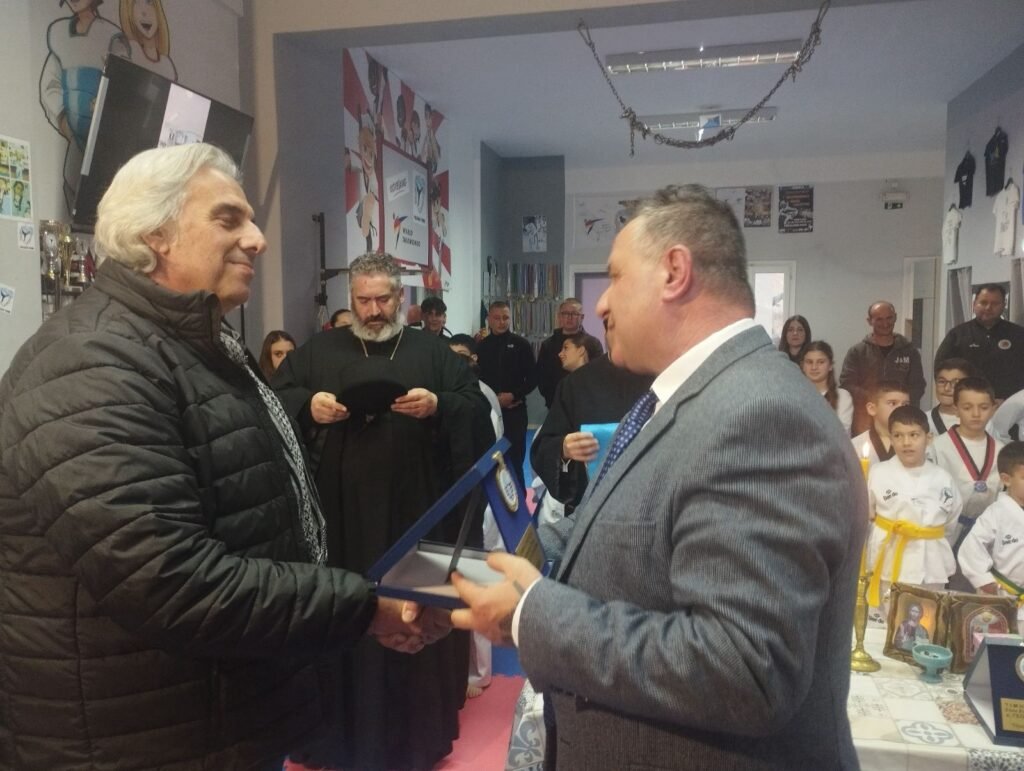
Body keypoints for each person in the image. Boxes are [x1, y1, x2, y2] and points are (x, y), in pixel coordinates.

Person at [0, 144, 446, 771]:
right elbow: (165, 580)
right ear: (155, 235)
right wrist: (362, 607)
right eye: (229, 219)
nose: (258, 239)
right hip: (135, 735)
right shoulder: (91, 363)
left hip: (214, 716)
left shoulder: (196, 345)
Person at [450, 184, 865, 769]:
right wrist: (494, 574)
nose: (600, 304)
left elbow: (746, 668)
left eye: (615, 277)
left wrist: (532, 616)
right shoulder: (695, 397)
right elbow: (636, 538)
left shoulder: (758, 415)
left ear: (674, 272)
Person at [272, 252, 491, 771]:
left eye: (383, 300)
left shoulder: (432, 353)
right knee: (342, 621)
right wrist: (309, 406)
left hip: (415, 515)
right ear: (351, 299)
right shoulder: (318, 351)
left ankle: (415, 742)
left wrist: (438, 405)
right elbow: (275, 401)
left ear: (400, 297)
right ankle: (334, 741)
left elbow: (475, 409)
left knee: (415, 621)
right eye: (363, 300)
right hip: (338, 523)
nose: (373, 311)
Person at [531, 344, 652, 515]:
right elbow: (544, 447)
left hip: (653, 508)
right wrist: (564, 449)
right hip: (588, 511)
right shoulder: (576, 384)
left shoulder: (664, 375)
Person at [865, 406, 961, 611]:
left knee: (928, 618)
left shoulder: (943, 478)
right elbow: (867, 514)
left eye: (914, 435)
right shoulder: (878, 473)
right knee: (887, 617)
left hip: (931, 561)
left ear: (929, 438)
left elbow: (951, 523)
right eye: (898, 436)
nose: (906, 442)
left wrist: (925, 534)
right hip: (890, 556)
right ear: (891, 439)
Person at [930, 377, 1004, 550]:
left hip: (988, 532)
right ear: (956, 409)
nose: (976, 414)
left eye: (983, 407)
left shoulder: (1001, 451)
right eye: (967, 407)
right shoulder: (937, 447)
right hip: (947, 530)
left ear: (993, 409)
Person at [958, 442, 1024, 618]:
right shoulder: (996, 513)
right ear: (1006, 479)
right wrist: (985, 581)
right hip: (1005, 596)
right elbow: (970, 549)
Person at [840, 300, 926, 434]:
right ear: (870, 321)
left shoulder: (910, 351)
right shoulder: (857, 352)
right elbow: (847, 384)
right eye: (879, 319)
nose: (885, 324)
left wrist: (899, 403)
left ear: (895, 317)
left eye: (889, 318)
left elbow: (918, 385)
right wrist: (876, 400)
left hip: (901, 419)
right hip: (864, 420)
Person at [476, 300, 537, 483]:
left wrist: (514, 395)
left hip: (515, 412)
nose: (502, 322)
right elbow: (476, 380)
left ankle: (520, 498)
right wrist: (492, 400)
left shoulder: (521, 344)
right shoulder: (481, 347)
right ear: (489, 319)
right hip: (489, 413)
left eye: (506, 318)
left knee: (515, 461)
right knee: (490, 461)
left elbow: (533, 378)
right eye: (497, 318)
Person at [936, 284, 1024, 402]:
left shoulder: (1018, 335)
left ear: (1004, 305)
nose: (988, 307)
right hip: (966, 403)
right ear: (974, 304)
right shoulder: (958, 334)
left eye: (995, 303)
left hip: (1009, 404)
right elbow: (941, 370)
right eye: (983, 302)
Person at [537, 298, 585, 407]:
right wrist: (551, 397)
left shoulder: (592, 343)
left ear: (582, 317)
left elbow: (595, 376)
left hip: (584, 403)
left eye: (574, 314)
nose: (569, 317)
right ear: (559, 317)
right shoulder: (548, 345)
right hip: (555, 403)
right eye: (565, 313)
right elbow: (541, 376)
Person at [851, 380, 911, 464]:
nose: (901, 409)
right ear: (872, 409)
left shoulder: (916, 444)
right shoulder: (854, 446)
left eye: (905, 405)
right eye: (893, 403)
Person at [800, 340, 853, 435]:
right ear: (803, 366)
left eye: (821, 362)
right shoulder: (794, 396)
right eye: (809, 362)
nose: (814, 367)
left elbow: (841, 434)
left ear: (830, 366)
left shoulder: (842, 396)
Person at [119, 0, 178, 81]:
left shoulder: (167, 64)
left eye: (149, 2)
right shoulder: (127, 49)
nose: (144, 12)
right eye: (136, 2)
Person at [928, 358, 975, 435]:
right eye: (942, 382)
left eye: (955, 383)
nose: (947, 388)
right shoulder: (922, 420)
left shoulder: (980, 421)